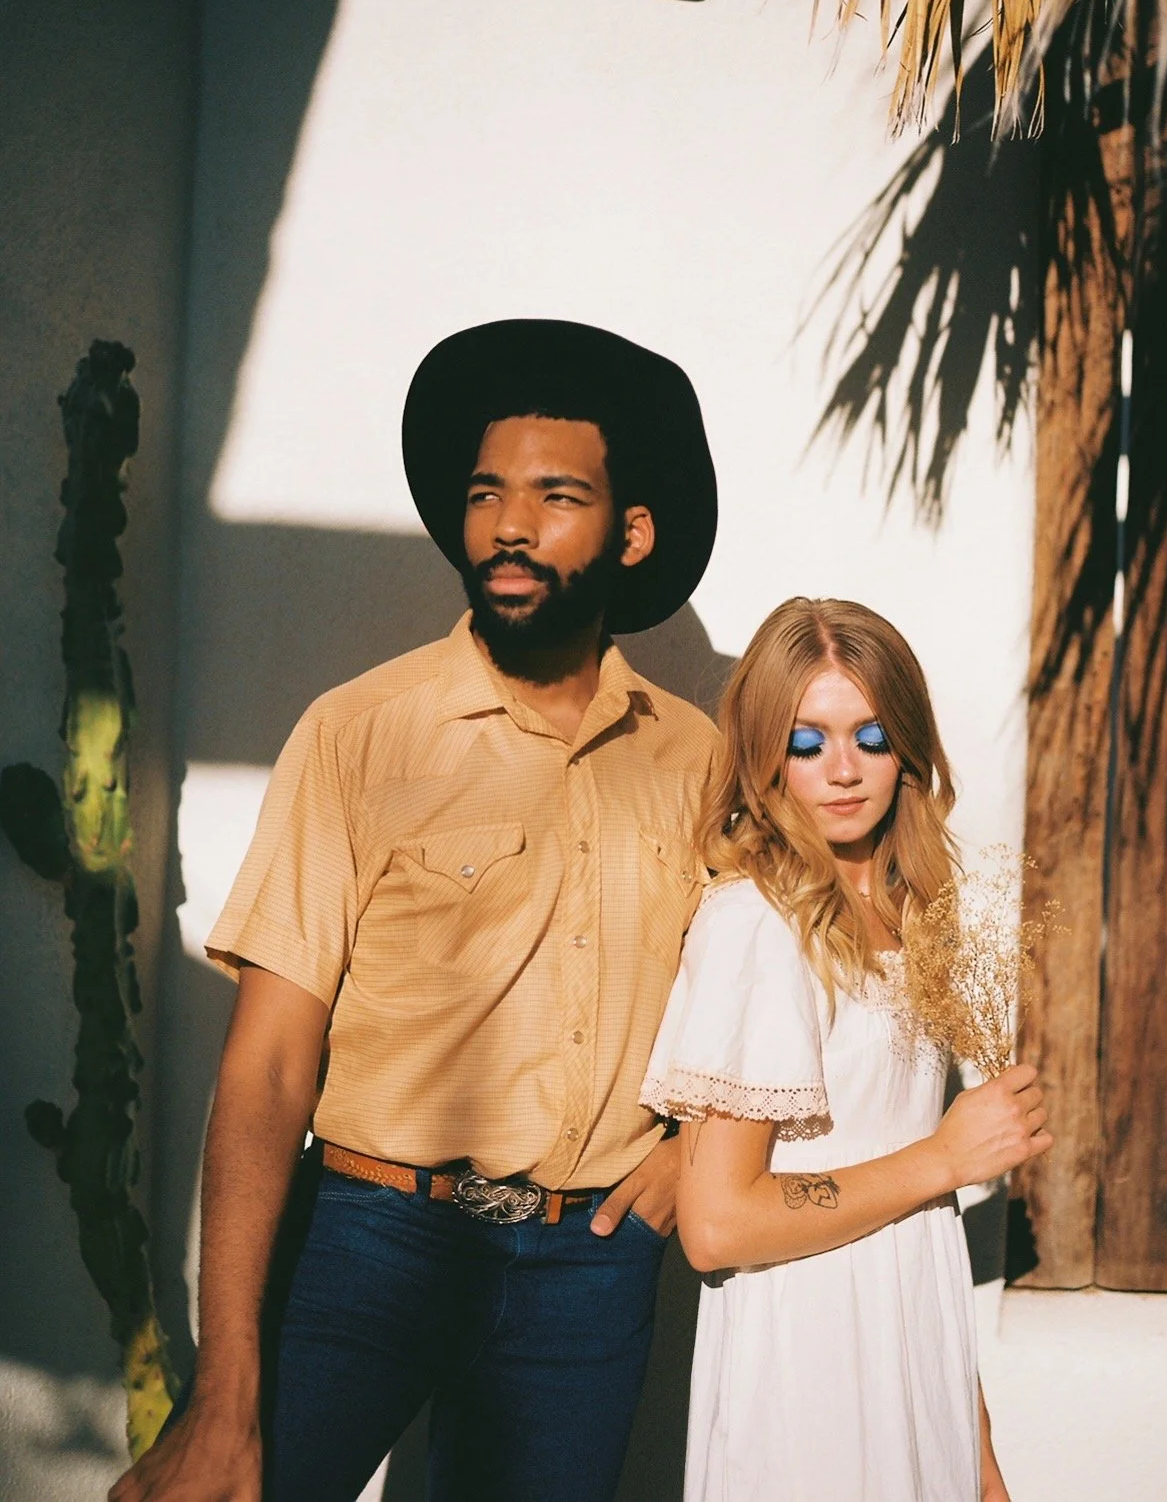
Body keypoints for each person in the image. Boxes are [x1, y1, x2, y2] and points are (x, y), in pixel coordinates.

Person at [110, 318, 720, 1502]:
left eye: (556, 496)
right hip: (370, 1242)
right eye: (487, 492)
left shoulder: (695, 759)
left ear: (630, 533)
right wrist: (225, 1390)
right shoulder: (359, 732)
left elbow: (760, 998)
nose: (506, 524)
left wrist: (695, 1148)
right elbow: (268, 1066)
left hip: (587, 1270)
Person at [641, 597, 1052, 1502]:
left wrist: (976, 1453)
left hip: (914, 1352)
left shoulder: (912, 917)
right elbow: (717, 1226)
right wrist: (944, 1154)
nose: (842, 770)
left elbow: (916, 1221)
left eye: (869, 735)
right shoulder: (758, 926)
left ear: (905, 745)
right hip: (808, 1367)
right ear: (764, 755)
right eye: (806, 739)